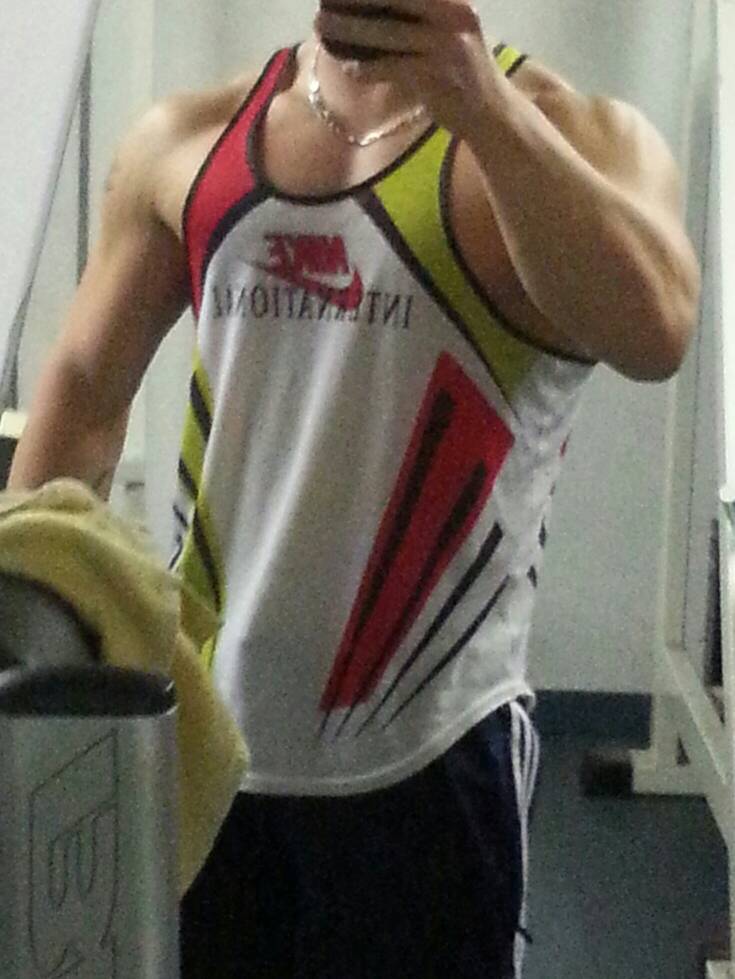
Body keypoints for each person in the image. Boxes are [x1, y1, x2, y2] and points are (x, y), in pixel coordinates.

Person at [9, 0, 702, 976]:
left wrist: (483, 108)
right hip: (203, 749)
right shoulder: (191, 137)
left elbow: (656, 328)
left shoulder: (576, 135)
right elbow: (84, 392)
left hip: (432, 756)